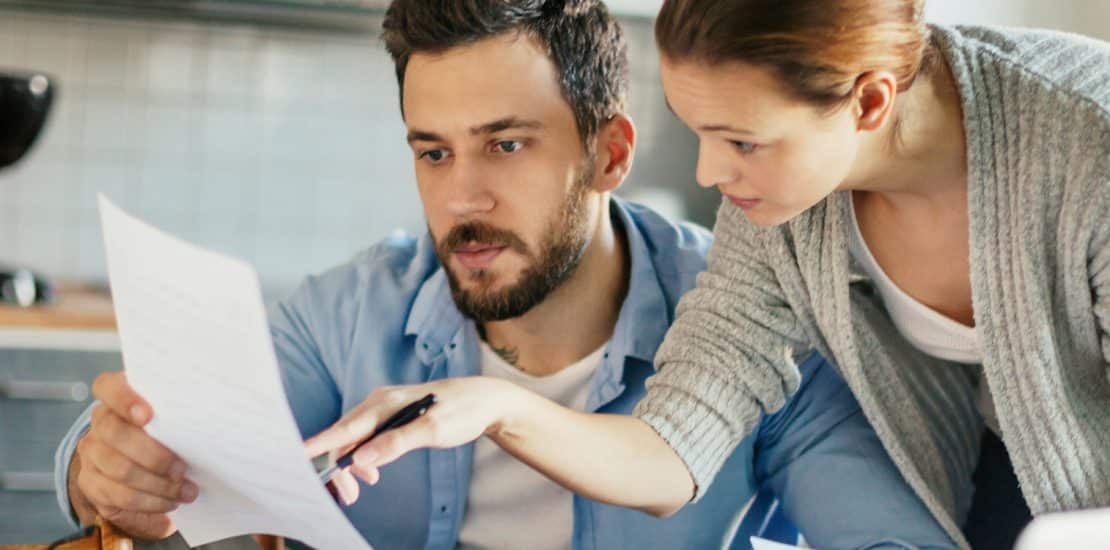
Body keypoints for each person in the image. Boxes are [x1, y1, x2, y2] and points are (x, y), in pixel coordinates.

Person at [53, 1, 955, 549]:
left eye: (507, 145)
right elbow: (157, 456)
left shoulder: (754, 329)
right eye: (433, 152)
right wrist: (106, 471)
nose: (462, 197)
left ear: (610, 154)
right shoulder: (347, 315)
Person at [297, 1, 1110, 549]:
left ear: (868, 103)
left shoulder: (1088, 147)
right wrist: (500, 408)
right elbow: (675, 449)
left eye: (741, 141)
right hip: (999, 482)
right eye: (700, 133)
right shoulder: (776, 211)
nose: (709, 173)